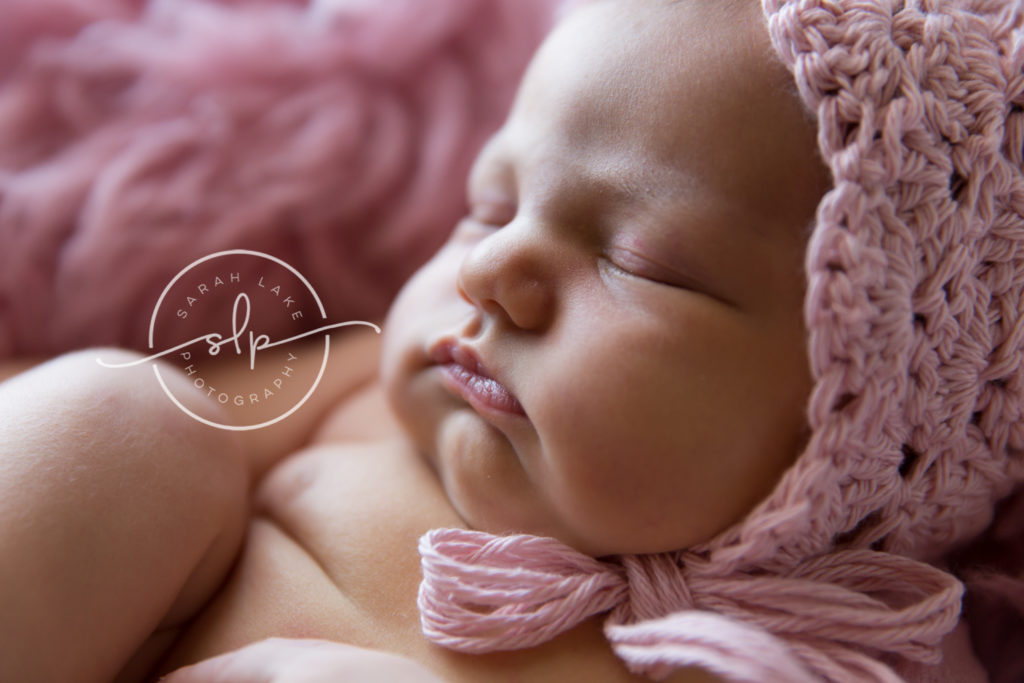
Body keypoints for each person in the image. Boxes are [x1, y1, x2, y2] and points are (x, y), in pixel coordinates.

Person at [0, 0, 1021, 681]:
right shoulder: (375, 398)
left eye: (638, 262)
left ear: (861, 422)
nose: (488, 271)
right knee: (116, 416)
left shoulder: (846, 648)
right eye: (489, 207)